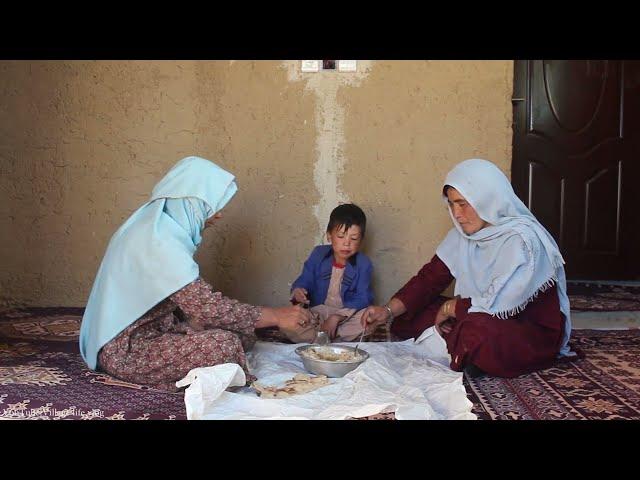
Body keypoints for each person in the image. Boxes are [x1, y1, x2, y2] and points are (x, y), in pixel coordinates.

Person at [79, 156, 311, 391]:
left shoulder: (155, 228)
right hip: (127, 349)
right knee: (224, 345)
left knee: (243, 334)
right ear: (190, 201)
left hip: (157, 329)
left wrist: (195, 321)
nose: (218, 215)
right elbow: (205, 305)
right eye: (211, 206)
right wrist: (276, 316)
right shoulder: (158, 242)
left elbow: (186, 299)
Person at [361, 158, 576, 378]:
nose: (457, 214)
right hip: (474, 312)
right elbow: (429, 279)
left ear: (486, 199)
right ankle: (465, 350)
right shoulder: (463, 236)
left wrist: (450, 309)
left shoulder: (524, 240)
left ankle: (467, 348)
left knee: (478, 330)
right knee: (408, 315)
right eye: (451, 204)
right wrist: (386, 311)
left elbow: (501, 303)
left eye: (463, 203)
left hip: (522, 328)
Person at [283, 203, 374, 343]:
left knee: (368, 320)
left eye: (354, 238)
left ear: (361, 240)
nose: (346, 243)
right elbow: (305, 279)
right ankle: (326, 335)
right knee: (288, 320)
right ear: (329, 236)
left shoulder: (364, 263)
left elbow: (363, 298)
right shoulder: (318, 254)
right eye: (341, 236)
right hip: (317, 313)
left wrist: (336, 317)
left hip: (346, 315)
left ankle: (320, 337)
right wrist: (298, 291)